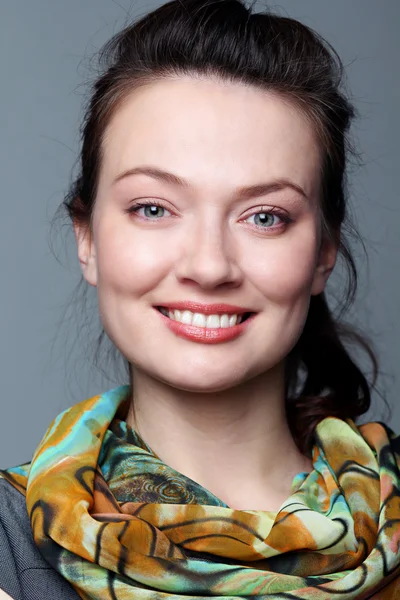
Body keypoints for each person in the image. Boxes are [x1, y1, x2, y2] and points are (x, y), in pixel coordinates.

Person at [1, 0, 399, 598]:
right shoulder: (7, 546)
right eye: (153, 208)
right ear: (87, 239)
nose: (209, 266)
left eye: (264, 216)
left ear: (323, 250)